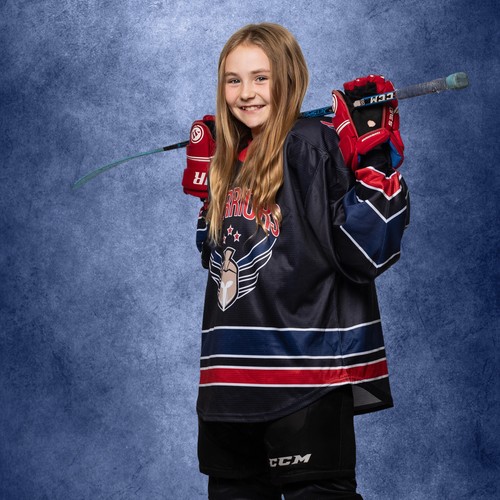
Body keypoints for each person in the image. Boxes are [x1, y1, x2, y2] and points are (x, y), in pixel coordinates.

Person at [182, 22, 409, 499]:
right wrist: (210, 187)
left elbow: (364, 252)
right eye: (233, 79)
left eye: (260, 78)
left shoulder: (311, 144)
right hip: (228, 382)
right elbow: (215, 257)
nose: (246, 93)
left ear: (289, 79)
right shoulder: (231, 156)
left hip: (304, 372)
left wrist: (374, 163)